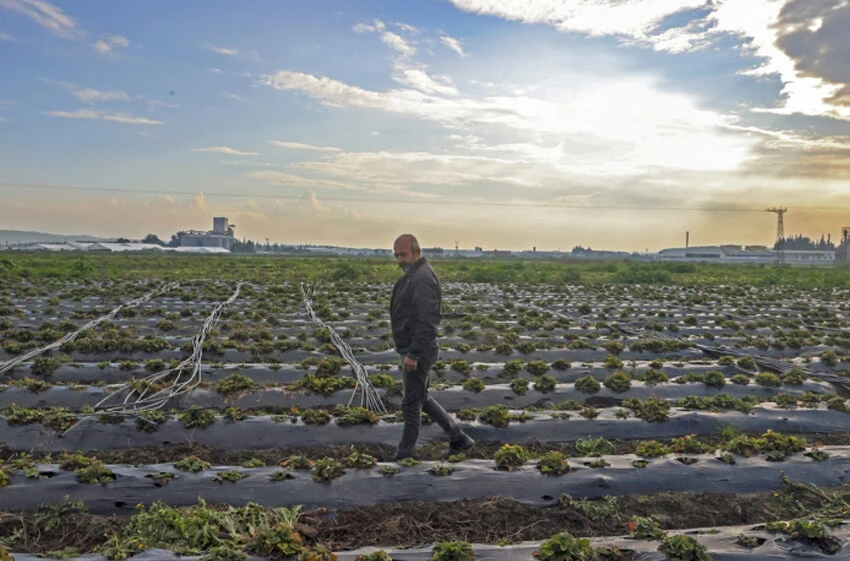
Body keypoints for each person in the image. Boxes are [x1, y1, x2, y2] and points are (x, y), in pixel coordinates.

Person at [390, 233, 475, 461]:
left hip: (419, 349)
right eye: (397, 255)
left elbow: (428, 320)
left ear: (417, 252)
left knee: (410, 404)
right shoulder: (414, 274)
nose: (400, 260)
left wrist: (414, 353)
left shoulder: (422, 278)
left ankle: (404, 455)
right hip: (415, 347)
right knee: (422, 398)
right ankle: (458, 438)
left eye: (404, 255)